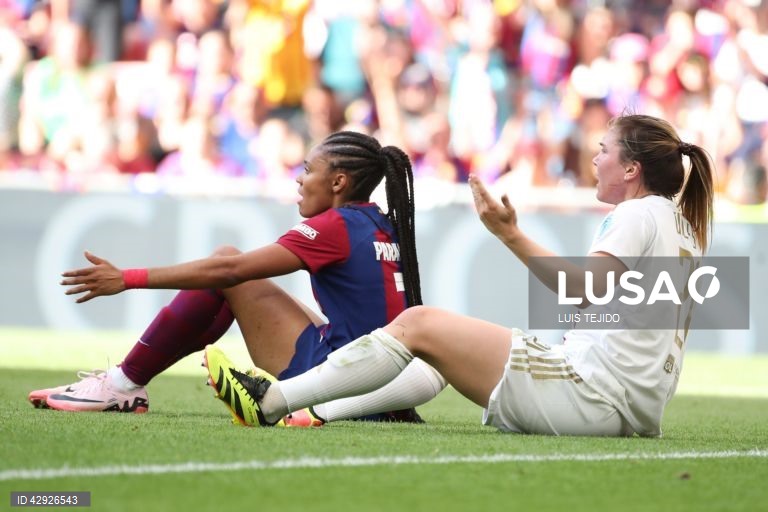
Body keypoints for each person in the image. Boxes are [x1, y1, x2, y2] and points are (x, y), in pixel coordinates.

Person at [201, 113, 715, 436]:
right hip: (630, 409)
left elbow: (583, 289)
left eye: (605, 150)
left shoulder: (636, 214)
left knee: (420, 324)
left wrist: (508, 234)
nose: (595, 158)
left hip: (589, 397)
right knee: (432, 350)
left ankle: (271, 400)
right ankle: (321, 410)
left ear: (632, 169)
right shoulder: (683, 229)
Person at [32, 130, 445, 425]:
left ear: (338, 182)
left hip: (339, 379)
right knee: (234, 284)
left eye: (308, 169)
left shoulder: (335, 225)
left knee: (227, 264)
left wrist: (127, 278)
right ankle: (127, 382)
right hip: (384, 381)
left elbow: (230, 270)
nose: (299, 178)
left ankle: (122, 384)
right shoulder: (381, 222)